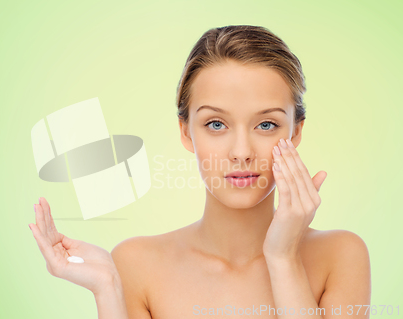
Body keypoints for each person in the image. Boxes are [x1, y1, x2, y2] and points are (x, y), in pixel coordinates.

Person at [28, 25, 371, 319]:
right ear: (185, 131)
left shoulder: (341, 256)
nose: (241, 153)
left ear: (295, 132)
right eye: (216, 124)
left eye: (266, 124)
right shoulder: (135, 264)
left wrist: (283, 258)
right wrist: (108, 291)